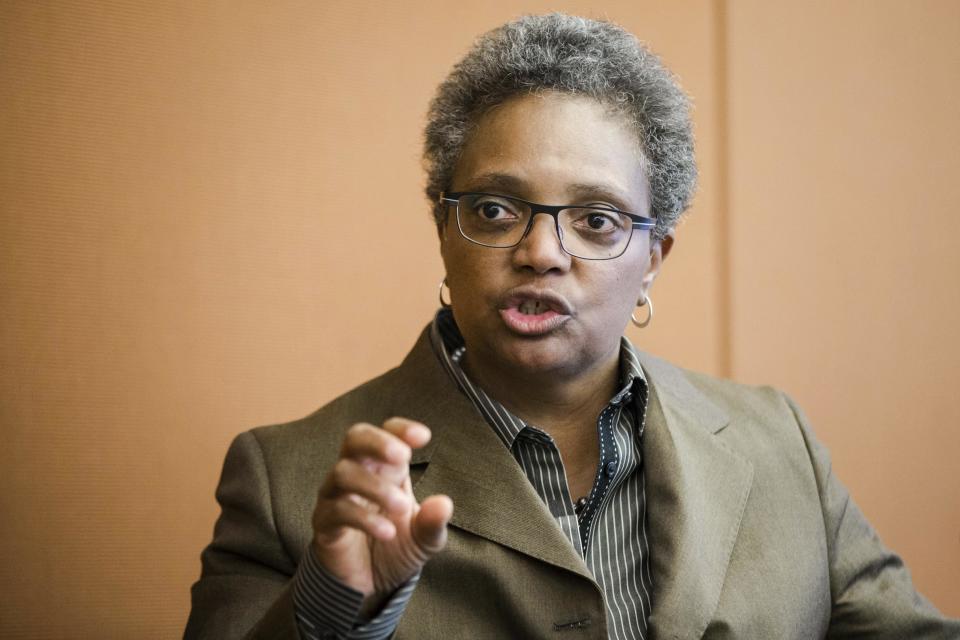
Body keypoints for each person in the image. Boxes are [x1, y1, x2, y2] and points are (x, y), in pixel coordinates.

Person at [184, 13, 959, 640]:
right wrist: (330, 608)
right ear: (443, 230)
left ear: (654, 256)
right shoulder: (286, 480)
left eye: (595, 219)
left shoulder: (779, 443)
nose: (541, 252)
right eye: (495, 208)